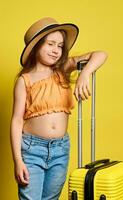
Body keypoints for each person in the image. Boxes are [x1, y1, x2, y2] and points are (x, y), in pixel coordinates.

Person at [10, 17, 108, 200]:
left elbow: (101, 54)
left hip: (60, 150)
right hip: (32, 150)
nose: (56, 50)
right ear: (36, 46)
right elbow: (16, 121)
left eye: (60, 46)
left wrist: (84, 73)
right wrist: (18, 160)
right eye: (51, 44)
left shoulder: (62, 69)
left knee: (51, 198)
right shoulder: (25, 80)